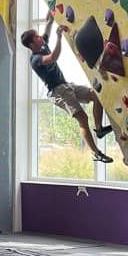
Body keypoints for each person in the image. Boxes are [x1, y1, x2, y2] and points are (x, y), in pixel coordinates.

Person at [21, 13, 114, 163]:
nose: (40, 38)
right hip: (57, 92)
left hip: (66, 85)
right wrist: (59, 37)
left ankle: (99, 129)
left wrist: (51, 17)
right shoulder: (35, 60)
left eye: (39, 36)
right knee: (82, 118)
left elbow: (47, 29)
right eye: (37, 37)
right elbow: (53, 58)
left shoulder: (42, 43)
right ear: (32, 45)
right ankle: (96, 153)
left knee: (95, 95)